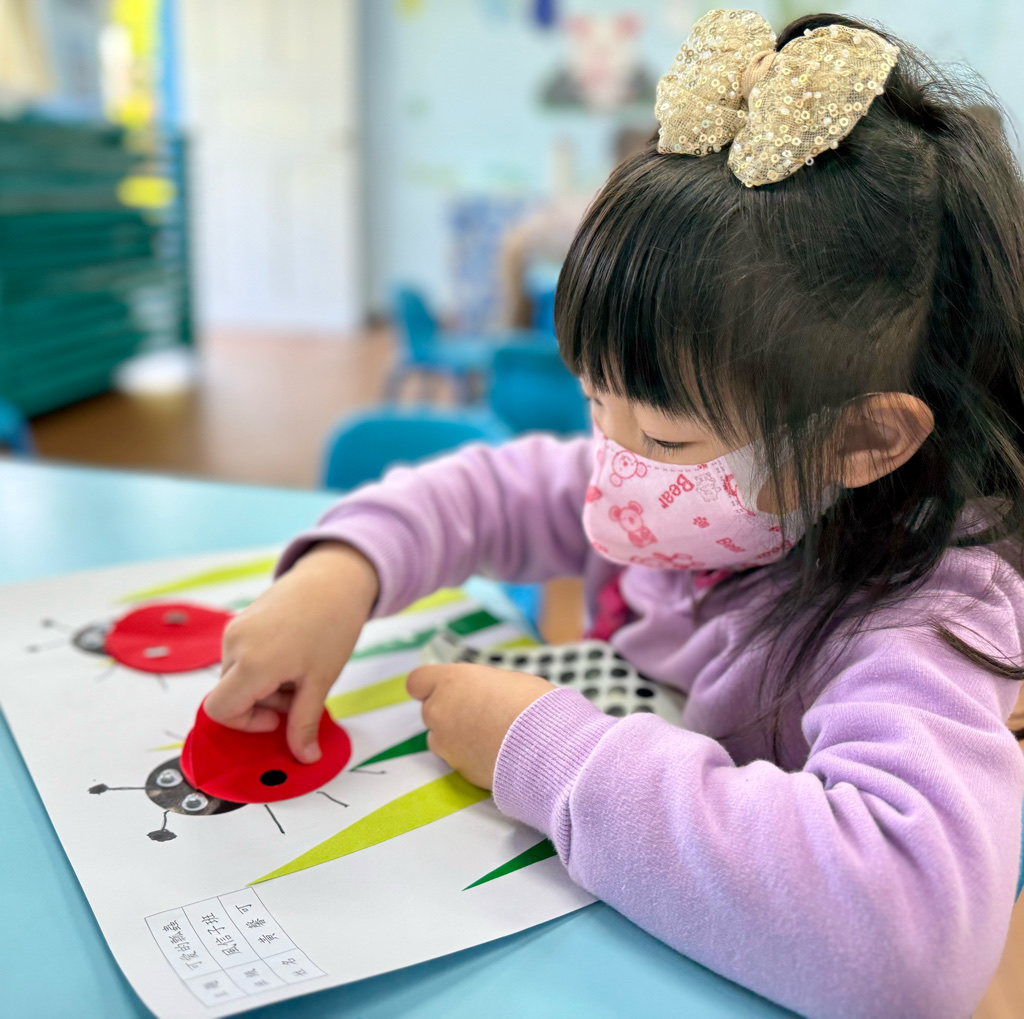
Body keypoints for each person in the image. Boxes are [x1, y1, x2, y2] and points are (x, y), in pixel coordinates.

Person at [204, 12, 1024, 1017]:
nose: (614, 462)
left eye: (665, 439)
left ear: (861, 441)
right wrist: (341, 572)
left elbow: (906, 946)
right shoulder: (691, 498)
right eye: (596, 403)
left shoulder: (925, 615)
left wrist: (542, 751)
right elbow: (485, 492)